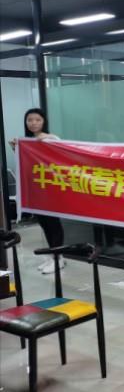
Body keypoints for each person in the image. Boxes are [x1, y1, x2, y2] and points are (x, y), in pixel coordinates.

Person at [9, 108, 66, 274]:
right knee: (44, 223)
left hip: (50, 188)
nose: (33, 123)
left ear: (44, 121)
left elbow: (62, 153)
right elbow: (27, 164)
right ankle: (54, 255)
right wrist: (16, 149)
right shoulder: (27, 142)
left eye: (37, 119)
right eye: (30, 120)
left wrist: (49, 138)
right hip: (36, 190)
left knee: (53, 223)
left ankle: (58, 258)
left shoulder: (51, 138)